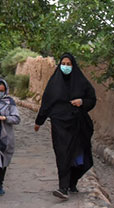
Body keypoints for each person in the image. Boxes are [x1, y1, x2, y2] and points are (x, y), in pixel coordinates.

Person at [33, 53, 96, 200]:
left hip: (77, 124)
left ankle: (72, 182)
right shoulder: (54, 83)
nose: (66, 67)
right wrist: (39, 122)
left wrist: (82, 102)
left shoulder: (81, 82)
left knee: (79, 156)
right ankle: (63, 187)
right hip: (59, 124)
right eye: (64, 64)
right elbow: (46, 103)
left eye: (69, 64)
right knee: (62, 154)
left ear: (73, 66)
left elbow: (92, 99)